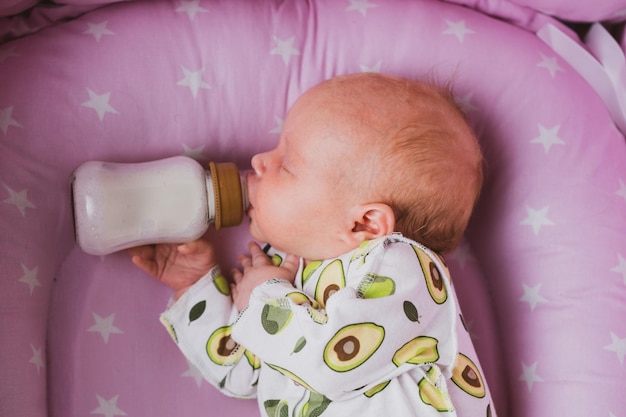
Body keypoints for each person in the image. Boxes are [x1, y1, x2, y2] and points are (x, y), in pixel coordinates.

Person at [128, 73, 492, 416]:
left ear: (364, 223)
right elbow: (241, 373)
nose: (258, 161)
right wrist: (195, 286)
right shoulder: (288, 273)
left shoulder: (406, 268)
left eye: (286, 165)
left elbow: (323, 360)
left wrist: (263, 293)